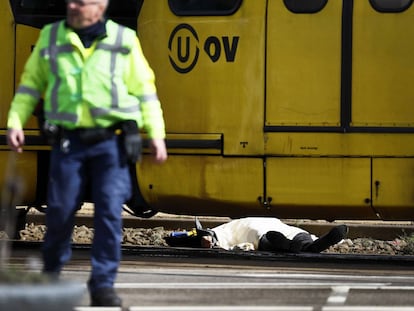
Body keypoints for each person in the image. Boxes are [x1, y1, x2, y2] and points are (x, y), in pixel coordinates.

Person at [6, 0, 167, 307]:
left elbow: (145, 90)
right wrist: (15, 121)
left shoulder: (123, 39)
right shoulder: (52, 37)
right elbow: (30, 86)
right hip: (70, 142)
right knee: (60, 212)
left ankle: (103, 286)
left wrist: (156, 134)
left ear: (100, 5)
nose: (73, 6)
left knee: (108, 212)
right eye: (71, 1)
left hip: (111, 143)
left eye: (82, 2)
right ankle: (50, 277)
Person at [166, 217, 348, 253]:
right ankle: (315, 245)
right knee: (304, 241)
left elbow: (212, 238)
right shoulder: (232, 224)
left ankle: (286, 246)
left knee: (269, 240)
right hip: (290, 230)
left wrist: (207, 240)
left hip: (263, 235)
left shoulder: (224, 230)